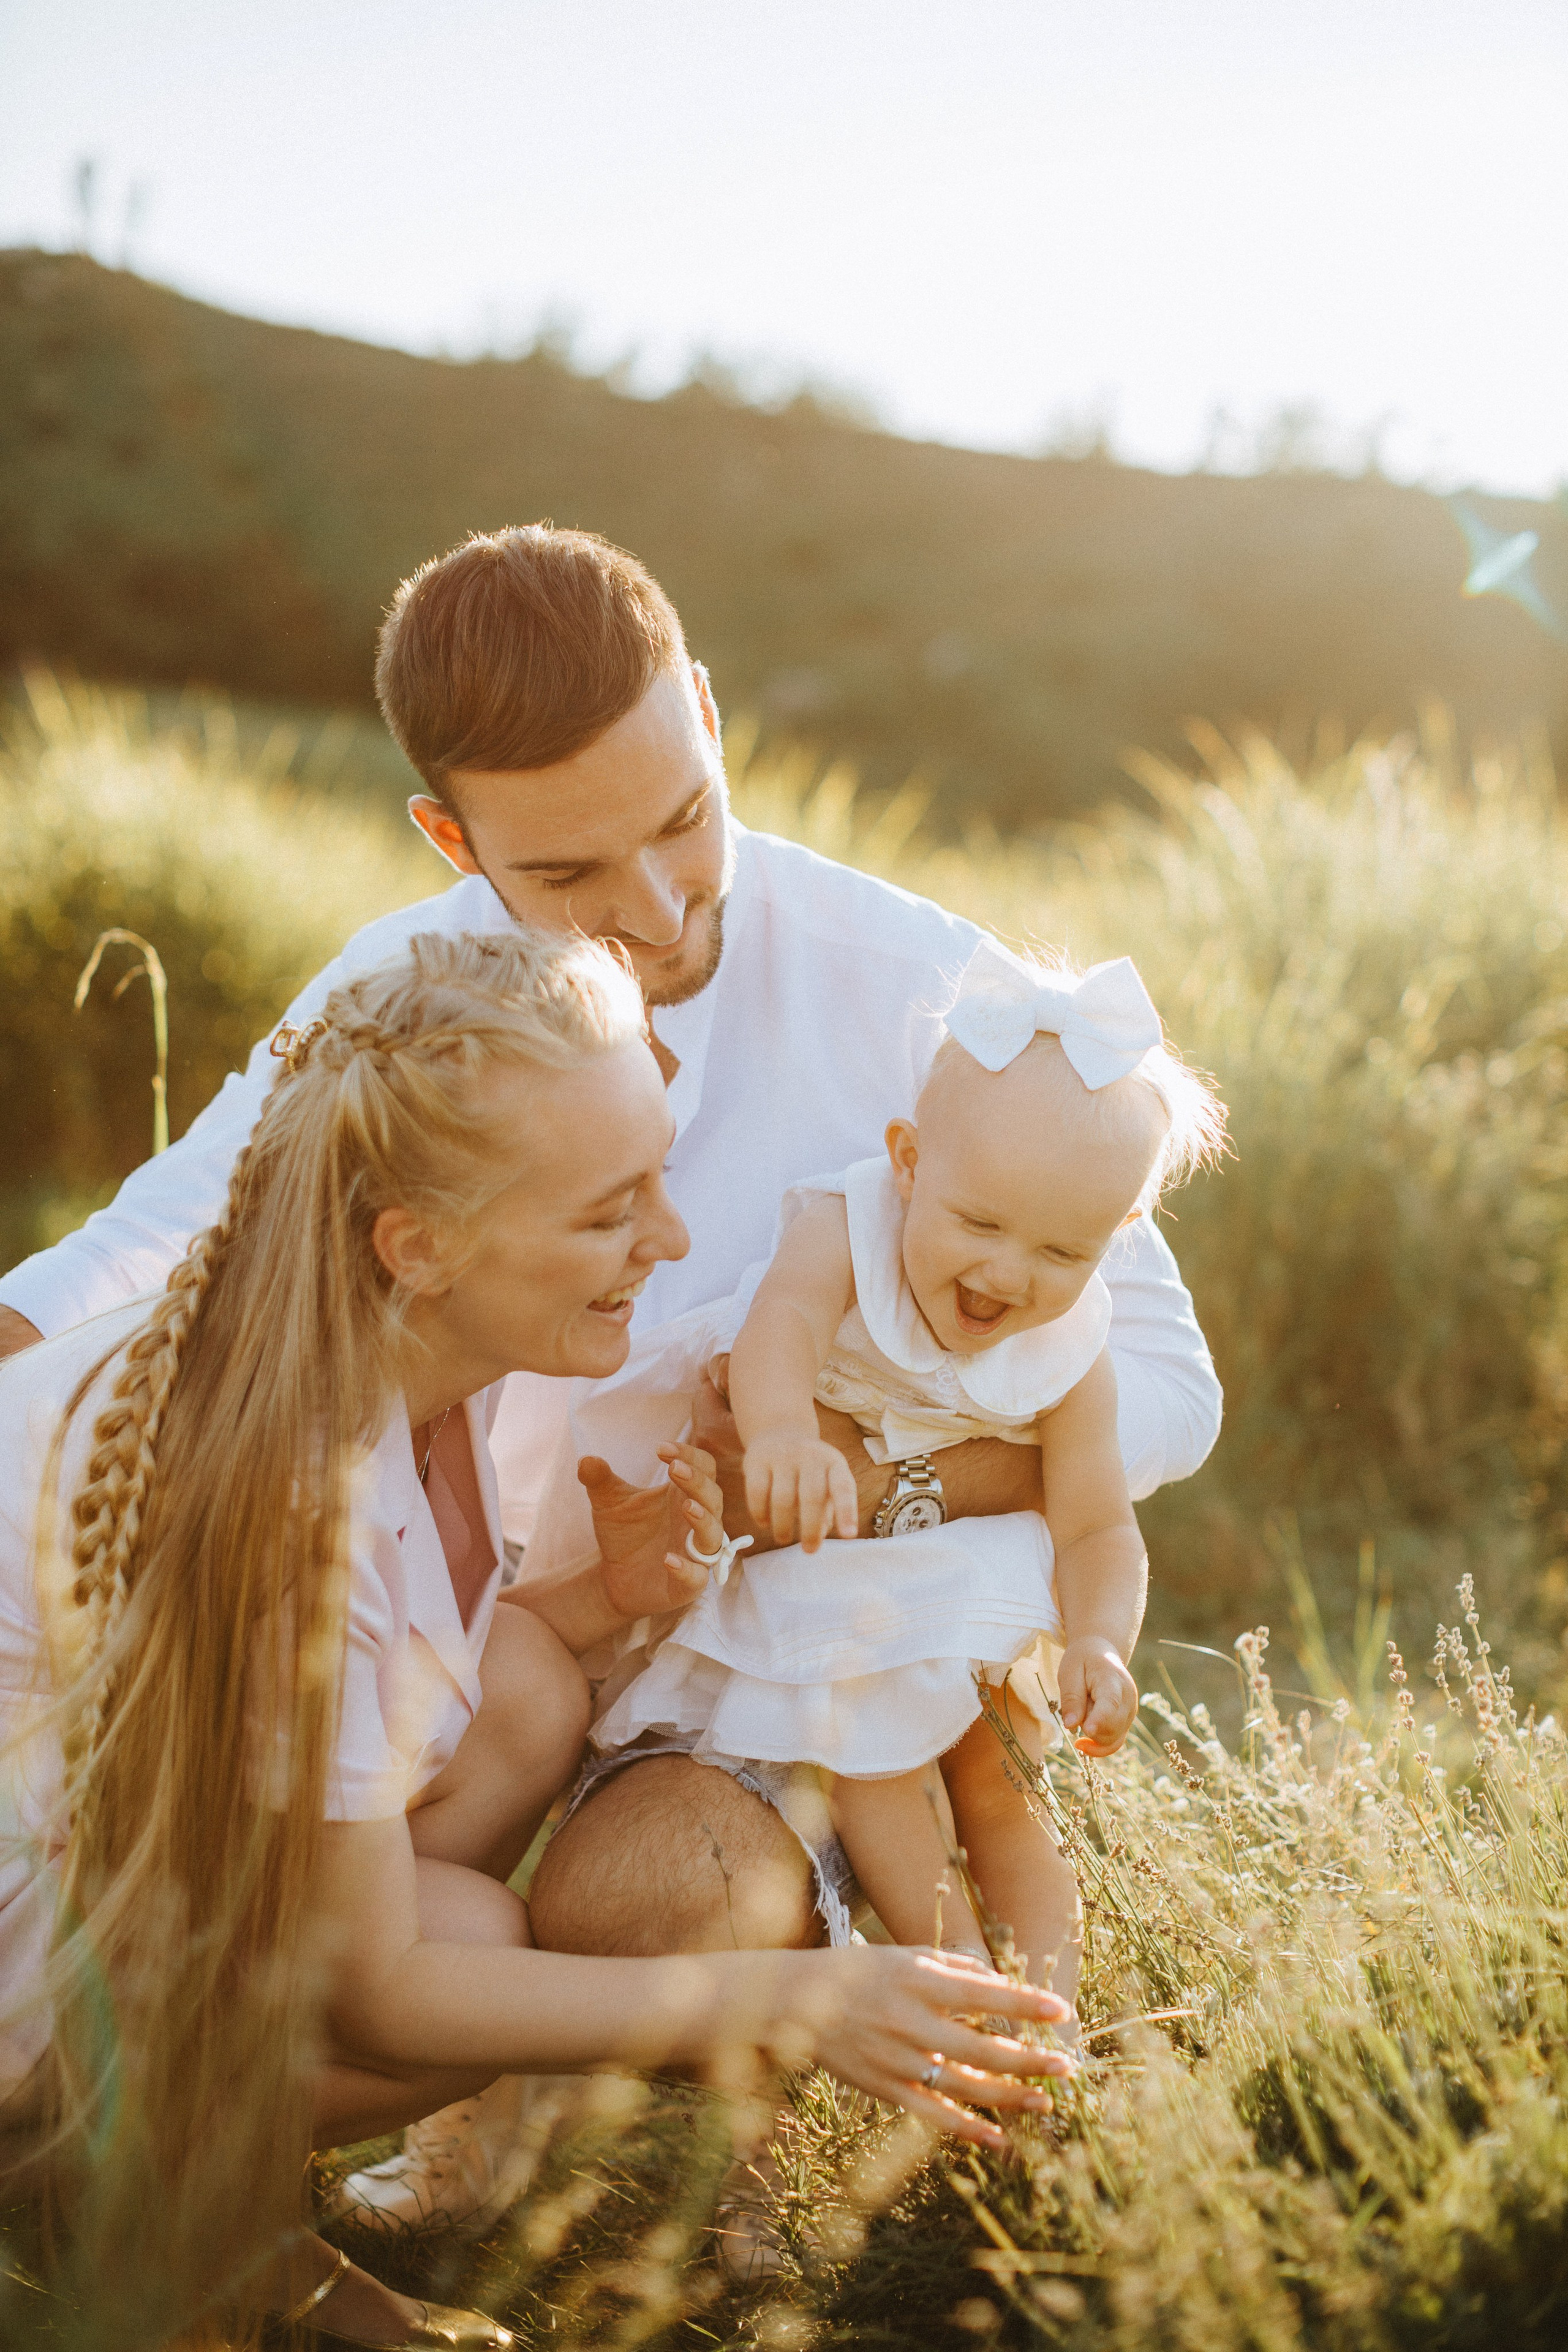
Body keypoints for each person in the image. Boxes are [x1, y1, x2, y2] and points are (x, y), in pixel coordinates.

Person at [0, 524, 1220, 2220]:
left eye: (682, 823)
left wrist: (879, 1481)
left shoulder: (923, 991)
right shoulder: (416, 998)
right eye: (568, 876)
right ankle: (225, 2142)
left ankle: (718, 2095)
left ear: (710, 718)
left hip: (756, 1665)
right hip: (498, 1644)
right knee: (428, 1834)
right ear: (451, 837)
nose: (655, 912)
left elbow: (1165, 1382)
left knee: (641, 1902)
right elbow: (116, 1270)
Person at [0, 927, 1070, 2350]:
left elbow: (376, 1694)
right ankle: (98, 2178)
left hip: (107, 1888)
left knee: (516, 1696)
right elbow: (378, 1984)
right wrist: (805, 1994)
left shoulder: (409, 1354)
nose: (674, 1239)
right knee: (450, 1944)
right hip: (32, 1972)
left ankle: (228, 2226)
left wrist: (604, 1600)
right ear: (420, 1246)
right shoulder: (285, 1501)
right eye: (609, 1210)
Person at [592, 941, 1227, 2018]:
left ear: (1115, 1242)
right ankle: (957, 1988)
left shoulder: (1075, 1346)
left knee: (1009, 1792)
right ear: (908, 1161)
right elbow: (778, 1327)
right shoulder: (845, 1228)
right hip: (844, 1576)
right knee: (877, 1766)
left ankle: (1047, 2024)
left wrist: (1100, 1640)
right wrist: (786, 1434)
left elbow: (1095, 1526)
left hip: (975, 1575)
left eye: (1060, 1253)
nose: (1006, 1275)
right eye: (979, 1223)